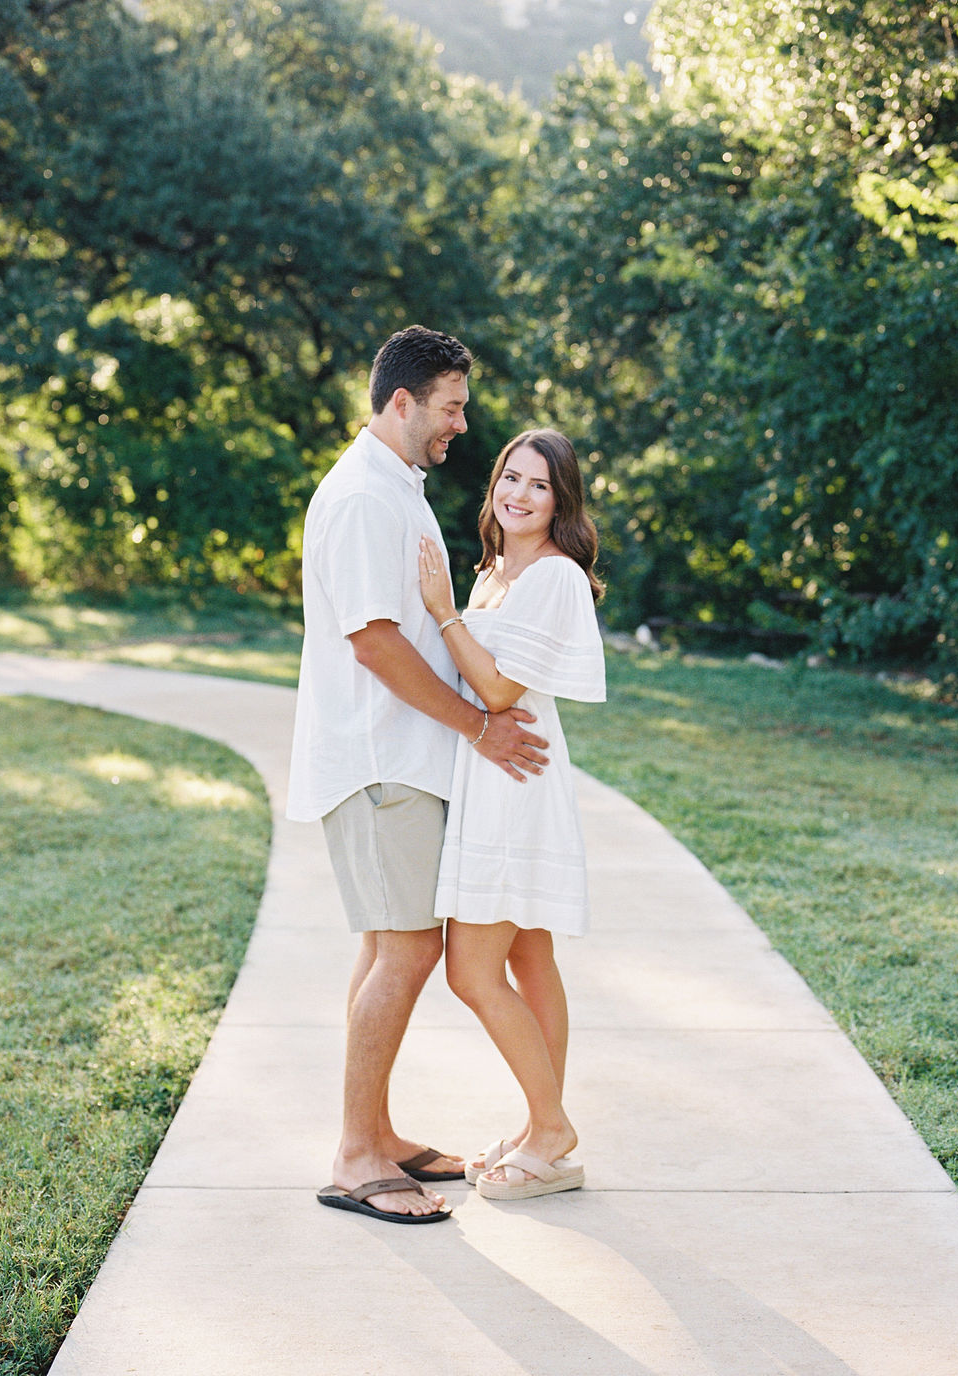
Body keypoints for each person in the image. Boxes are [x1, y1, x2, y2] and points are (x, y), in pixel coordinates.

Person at [286, 326, 550, 1225]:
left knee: (384, 945)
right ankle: (356, 1156)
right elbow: (372, 641)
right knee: (408, 948)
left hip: (398, 758)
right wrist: (479, 726)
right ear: (402, 402)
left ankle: (379, 1133)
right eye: (451, 406)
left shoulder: (394, 487)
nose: (462, 424)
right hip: (377, 759)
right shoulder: (364, 497)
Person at [417, 427, 606, 1200]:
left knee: (472, 970)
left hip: (516, 785)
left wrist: (441, 612)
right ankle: (543, 1135)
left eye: (539, 485)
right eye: (510, 478)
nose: (519, 495)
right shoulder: (498, 570)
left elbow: (498, 693)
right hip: (493, 775)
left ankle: (552, 1128)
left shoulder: (555, 575)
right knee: (529, 961)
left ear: (560, 501)